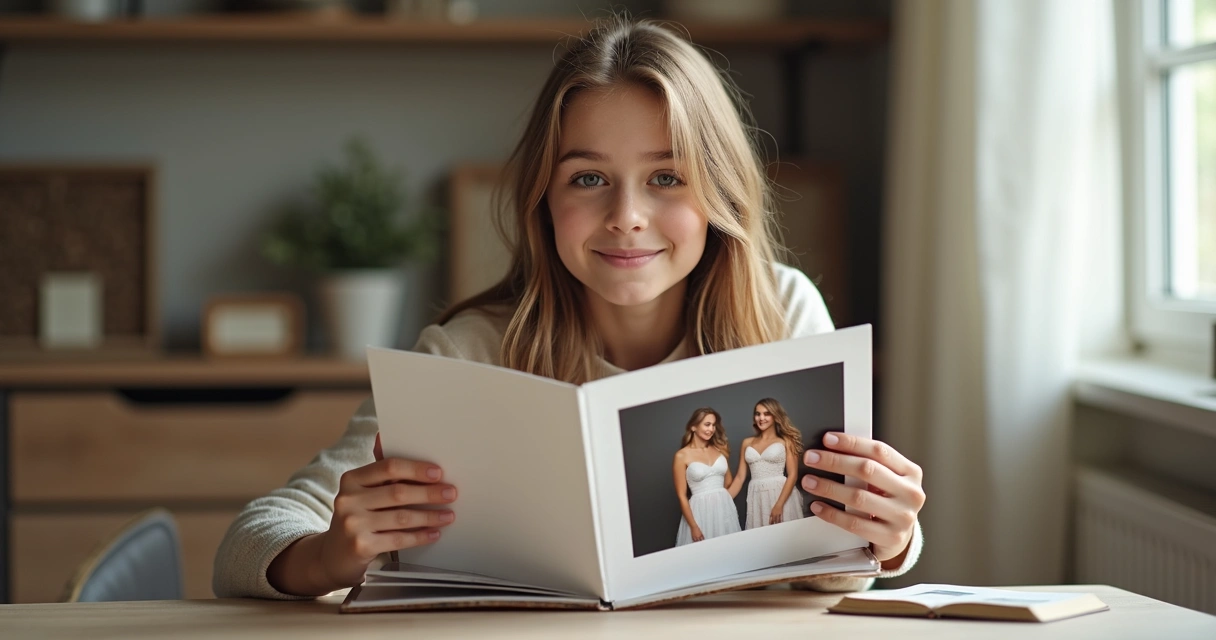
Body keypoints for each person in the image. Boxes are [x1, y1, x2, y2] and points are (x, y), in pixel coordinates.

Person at [213, 15, 925, 600]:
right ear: (543, 200)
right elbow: (250, 539)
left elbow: (831, 567)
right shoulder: (467, 352)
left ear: (719, 194)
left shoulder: (782, 312)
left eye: (667, 178)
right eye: (588, 177)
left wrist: (890, 537)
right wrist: (330, 556)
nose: (627, 216)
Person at [673, 408, 742, 546]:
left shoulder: (719, 450)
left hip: (724, 510)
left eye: (714, 425)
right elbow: (681, 495)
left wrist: (722, 502)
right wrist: (693, 526)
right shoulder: (681, 456)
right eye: (707, 424)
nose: (711, 429)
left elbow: (728, 483)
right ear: (693, 426)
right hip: (699, 513)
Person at [734, 398, 806, 529]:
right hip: (756, 496)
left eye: (766, 414)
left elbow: (793, 475)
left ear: (775, 416)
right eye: (757, 414)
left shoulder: (786, 441)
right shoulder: (747, 443)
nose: (761, 418)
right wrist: (724, 499)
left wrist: (779, 505)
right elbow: (739, 478)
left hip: (780, 494)